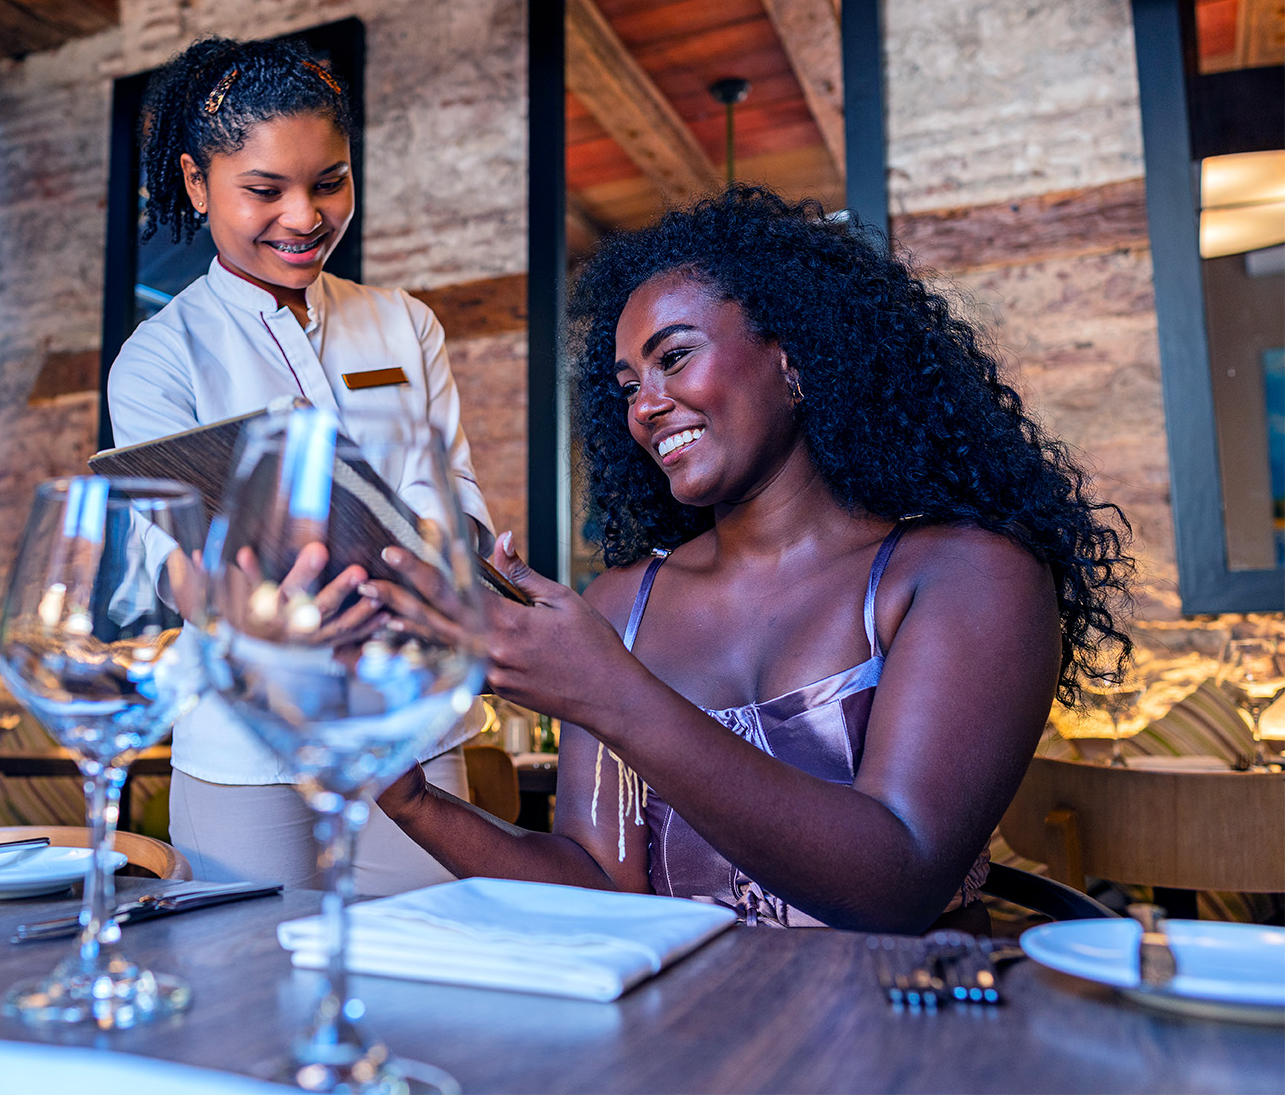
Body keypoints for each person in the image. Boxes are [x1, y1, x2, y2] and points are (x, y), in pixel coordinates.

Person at [374, 185, 1134, 932]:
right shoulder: (621, 605)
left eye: (675, 357)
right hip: (686, 1036)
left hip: (901, 1032)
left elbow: (897, 883)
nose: (644, 404)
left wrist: (607, 690)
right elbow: (601, 890)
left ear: (795, 354)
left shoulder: (966, 574)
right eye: (629, 385)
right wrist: (410, 799)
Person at [107, 35, 493, 894]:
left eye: (329, 181)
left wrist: (449, 552)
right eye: (264, 189)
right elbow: (172, 560)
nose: (304, 216)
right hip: (246, 741)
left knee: (434, 989)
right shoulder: (157, 360)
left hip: (411, 727)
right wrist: (247, 605)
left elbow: (454, 494)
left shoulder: (405, 324)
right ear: (197, 181)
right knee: (247, 995)